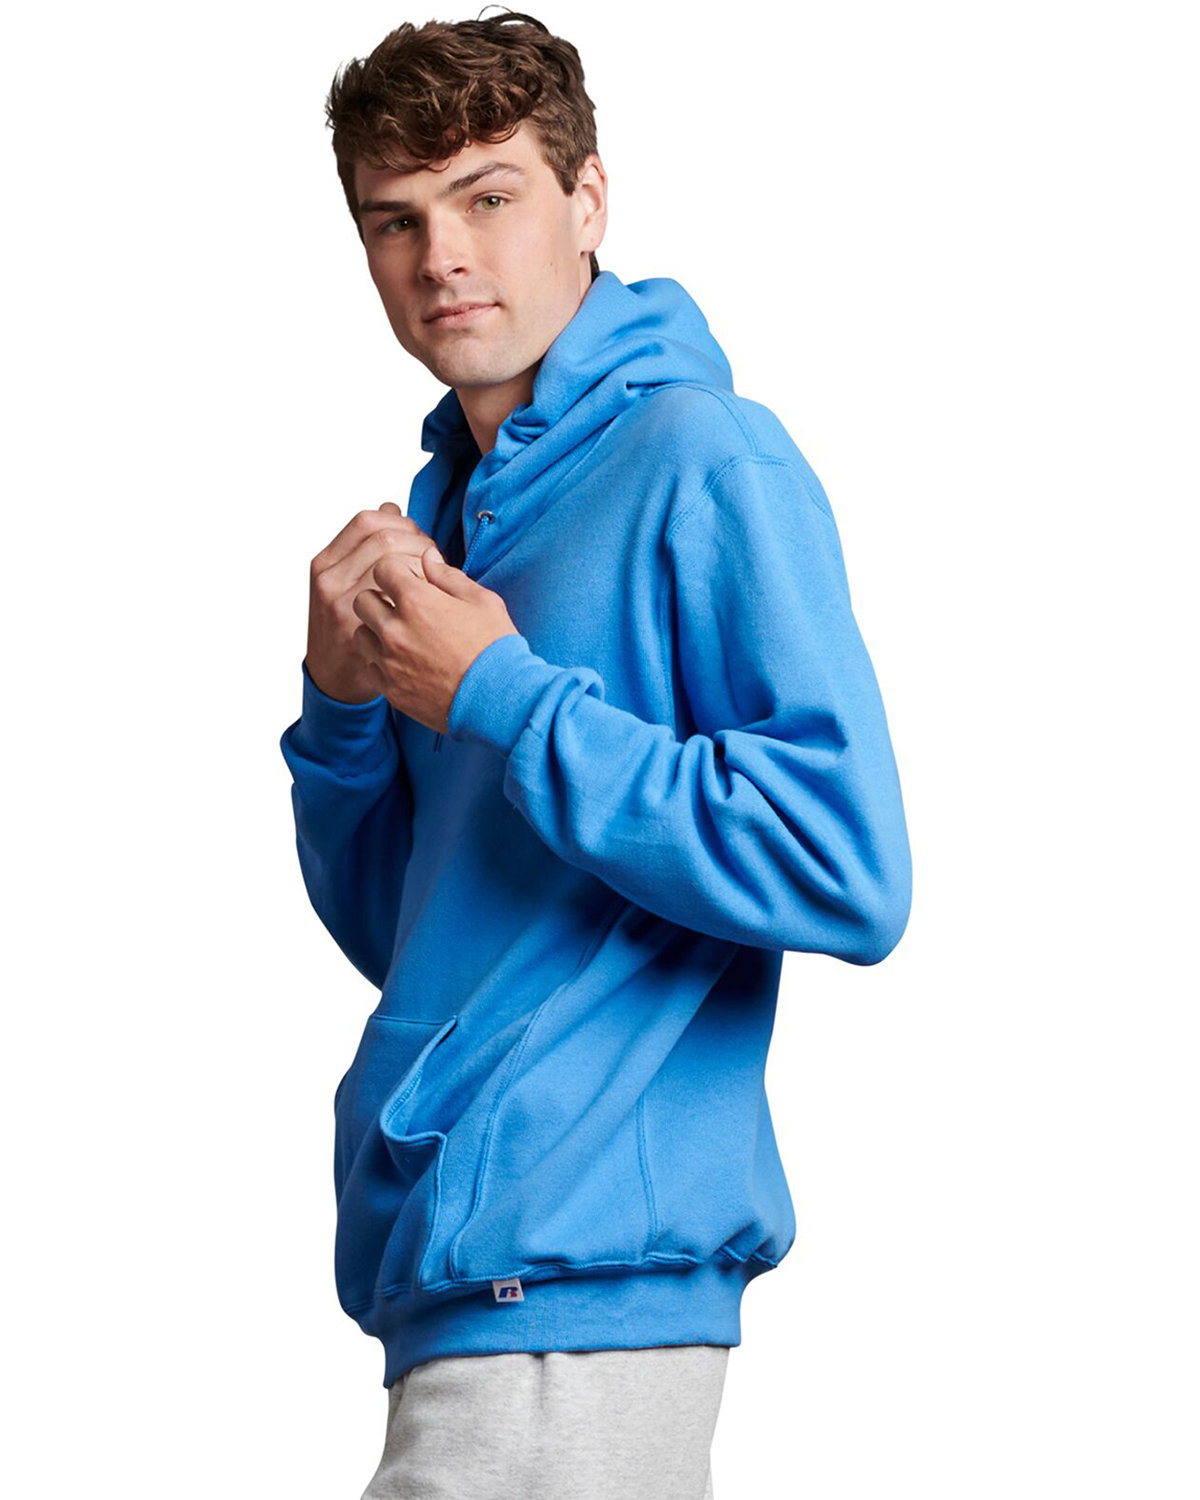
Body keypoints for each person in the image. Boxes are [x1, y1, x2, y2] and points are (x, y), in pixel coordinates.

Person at [278, 11, 912, 1497]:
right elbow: (415, 936)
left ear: (588, 202)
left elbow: (846, 864)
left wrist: (502, 694)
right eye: (396, 218)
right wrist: (344, 710)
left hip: (577, 1294)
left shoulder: (703, 458)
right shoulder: (448, 522)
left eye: (487, 196)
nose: (441, 256)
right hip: (458, 1279)